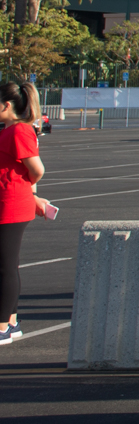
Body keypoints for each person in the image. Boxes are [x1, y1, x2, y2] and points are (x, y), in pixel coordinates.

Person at [1, 81, 49, 346]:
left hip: (10, 204)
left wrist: (27, 193)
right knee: (7, 265)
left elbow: (37, 169)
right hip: (9, 201)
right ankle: (11, 321)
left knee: (5, 267)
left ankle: (2, 327)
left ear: (6, 105)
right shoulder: (10, 130)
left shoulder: (19, 130)